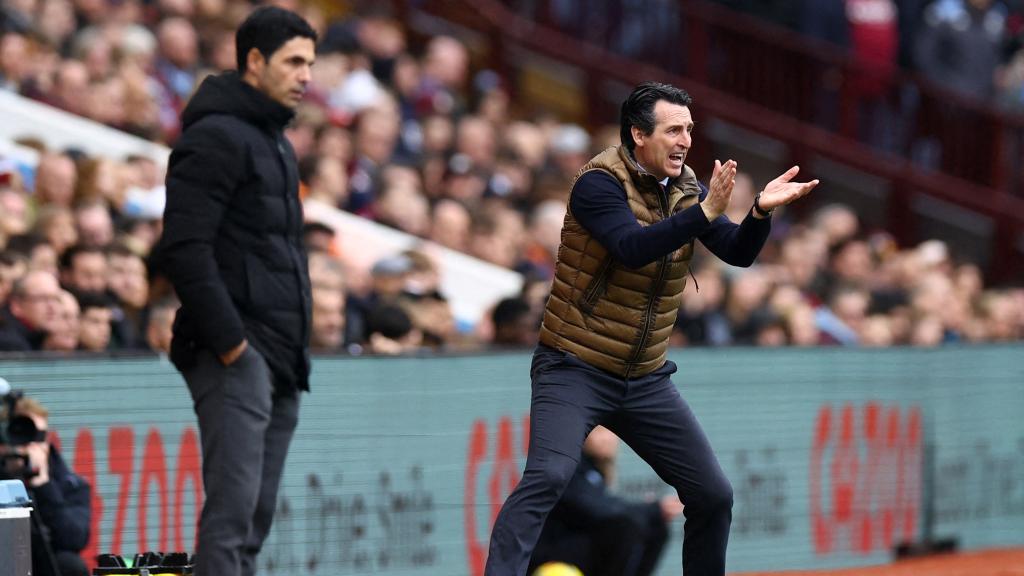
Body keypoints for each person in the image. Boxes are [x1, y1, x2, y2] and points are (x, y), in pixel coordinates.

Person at [484, 81, 818, 576]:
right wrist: (705, 212)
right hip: (573, 364)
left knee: (713, 494)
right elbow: (631, 248)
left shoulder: (686, 188)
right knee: (548, 477)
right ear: (638, 134)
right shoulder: (597, 182)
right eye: (673, 130)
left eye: (689, 130)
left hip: (643, 377)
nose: (685, 141)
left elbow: (738, 252)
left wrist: (759, 212)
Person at [156, 7, 316, 576]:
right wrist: (234, 349)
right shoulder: (218, 137)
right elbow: (183, 248)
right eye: (293, 61)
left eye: (311, 63)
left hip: (278, 355)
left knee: (252, 522)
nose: (306, 75)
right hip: (236, 353)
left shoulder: (274, 139)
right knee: (231, 522)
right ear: (254, 60)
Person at [528, 426, 684, 576]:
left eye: (612, 433)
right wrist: (653, 509)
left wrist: (654, 514)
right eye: (600, 432)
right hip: (549, 559)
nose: (607, 438)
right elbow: (598, 509)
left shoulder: (596, 471)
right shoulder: (569, 466)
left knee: (656, 527)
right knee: (624, 527)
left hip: (576, 552)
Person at [0, 396, 91, 576]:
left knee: (70, 565)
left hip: (43, 565)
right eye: (21, 435)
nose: (30, 445)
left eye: (38, 436)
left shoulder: (70, 484)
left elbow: (74, 539)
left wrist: (42, 485)